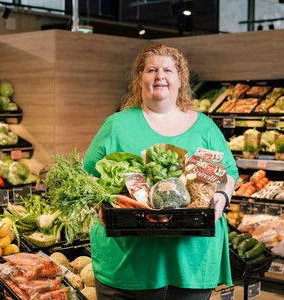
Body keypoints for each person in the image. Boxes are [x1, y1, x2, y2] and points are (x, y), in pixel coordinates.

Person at [83, 44, 238, 300]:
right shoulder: (116, 125)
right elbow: (88, 175)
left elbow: (229, 171)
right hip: (129, 262)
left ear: (180, 79)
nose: (160, 76)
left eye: (168, 70)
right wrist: (100, 201)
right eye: (151, 70)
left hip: (192, 262)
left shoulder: (205, 127)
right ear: (139, 78)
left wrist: (221, 197)